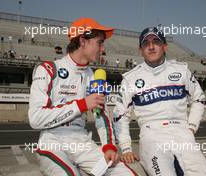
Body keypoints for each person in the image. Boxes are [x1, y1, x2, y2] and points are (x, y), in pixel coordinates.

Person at [29, 17, 137, 176]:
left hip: (82, 142)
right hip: (52, 141)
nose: (102, 49)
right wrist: (81, 105)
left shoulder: (94, 77)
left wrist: (108, 146)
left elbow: (102, 117)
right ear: (83, 41)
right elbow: (35, 118)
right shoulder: (48, 69)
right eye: (99, 42)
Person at [113, 27, 206, 176]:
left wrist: (191, 127)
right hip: (151, 136)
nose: (151, 46)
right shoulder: (130, 78)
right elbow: (120, 114)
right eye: (146, 43)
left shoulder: (181, 70)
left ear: (165, 46)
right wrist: (126, 148)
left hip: (182, 132)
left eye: (156, 42)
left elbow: (199, 99)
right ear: (141, 50)